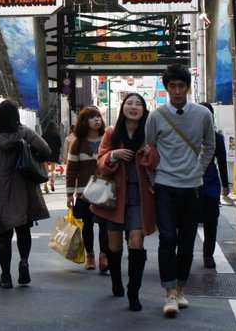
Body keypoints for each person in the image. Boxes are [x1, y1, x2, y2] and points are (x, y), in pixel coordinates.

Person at [145, 64, 216, 318]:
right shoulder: (156, 116)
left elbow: (210, 146)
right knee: (167, 239)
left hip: (192, 186)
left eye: (180, 86)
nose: (176, 91)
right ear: (166, 88)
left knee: (187, 241)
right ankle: (170, 293)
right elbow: (149, 150)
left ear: (187, 87)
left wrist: (198, 170)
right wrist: (154, 179)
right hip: (165, 185)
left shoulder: (202, 115)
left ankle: (182, 288)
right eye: (172, 86)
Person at [93, 93, 159, 311]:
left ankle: (134, 291)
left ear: (144, 109)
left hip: (140, 198)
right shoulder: (112, 133)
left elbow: (156, 162)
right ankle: (116, 280)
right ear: (123, 108)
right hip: (114, 197)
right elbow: (101, 163)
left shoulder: (149, 133)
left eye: (138, 104)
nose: (133, 107)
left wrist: (149, 154)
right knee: (113, 245)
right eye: (129, 103)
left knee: (136, 242)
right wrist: (113, 155)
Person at [0, 100, 52, 289]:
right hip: (25, 189)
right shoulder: (26, 134)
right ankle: (24, 261)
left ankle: (5, 276)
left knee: (4, 236)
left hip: (1, 192)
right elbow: (46, 151)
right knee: (23, 230)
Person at [66, 106, 109, 272]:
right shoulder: (77, 143)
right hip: (84, 193)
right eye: (92, 117)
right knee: (88, 225)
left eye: (98, 116)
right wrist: (70, 194)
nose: (97, 119)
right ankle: (90, 255)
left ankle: (104, 256)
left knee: (105, 225)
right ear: (84, 121)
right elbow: (71, 170)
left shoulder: (108, 139)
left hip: (105, 190)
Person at [199, 102, 230, 269]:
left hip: (210, 183)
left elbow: (222, 161)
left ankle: (208, 255)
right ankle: (184, 254)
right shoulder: (188, 134)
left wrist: (225, 184)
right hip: (189, 181)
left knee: (211, 219)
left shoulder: (217, 137)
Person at [41, 122, 62, 194]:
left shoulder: (44, 134)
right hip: (54, 154)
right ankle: (52, 182)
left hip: (45, 153)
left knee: (46, 171)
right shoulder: (56, 135)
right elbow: (59, 145)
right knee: (53, 169)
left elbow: (41, 143)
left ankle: (45, 185)